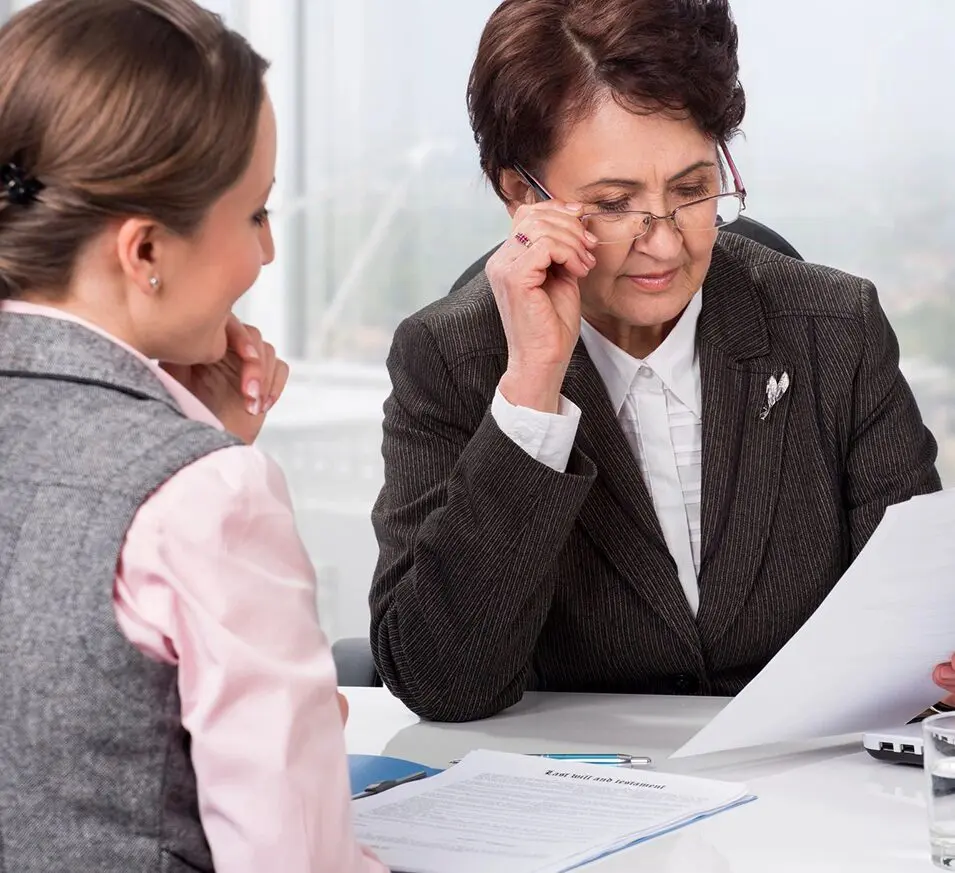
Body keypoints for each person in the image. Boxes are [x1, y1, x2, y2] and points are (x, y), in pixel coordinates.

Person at [369, 0, 949, 723]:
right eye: (614, 204)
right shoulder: (449, 360)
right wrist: (530, 395)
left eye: (690, 189)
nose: (667, 244)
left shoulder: (834, 330)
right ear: (521, 194)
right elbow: (440, 683)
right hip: (567, 798)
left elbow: (916, 634)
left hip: (807, 787)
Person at [0, 1, 385, 871]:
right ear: (144, 252)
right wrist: (203, 462)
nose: (268, 254)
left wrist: (194, 428)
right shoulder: (199, 498)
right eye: (254, 213)